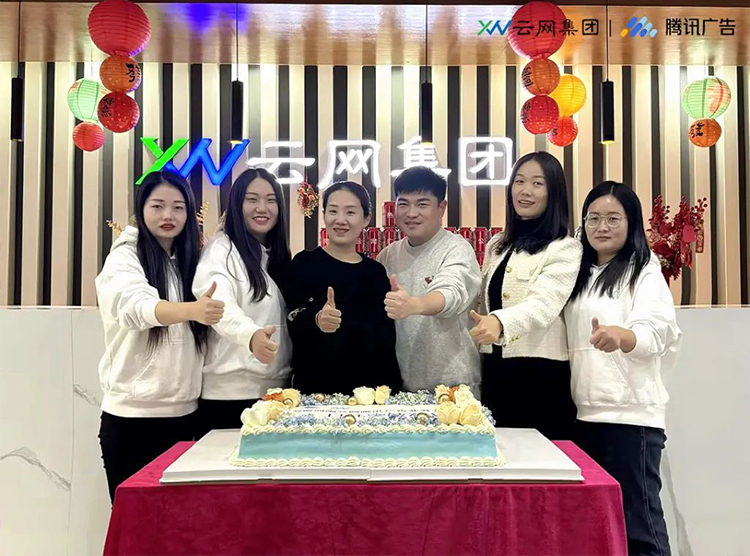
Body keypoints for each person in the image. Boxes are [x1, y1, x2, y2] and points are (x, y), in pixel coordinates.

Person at [565, 181, 681, 556]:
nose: (602, 227)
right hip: (583, 415)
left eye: (613, 218)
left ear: (631, 223)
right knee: (596, 527)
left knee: (640, 527)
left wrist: (623, 336)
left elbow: (657, 330)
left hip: (631, 419)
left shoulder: (643, 270)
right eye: (593, 218)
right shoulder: (577, 273)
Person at [95, 170, 224, 503]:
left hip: (186, 417)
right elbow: (136, 307)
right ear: (141, 209)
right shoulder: (124, 257)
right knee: (136, 525)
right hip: (132, 420)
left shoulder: (190, 262)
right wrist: (192, 311)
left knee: (181, 524)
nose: (168, 215)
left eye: (178, 207)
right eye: (158, 206)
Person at [470, 151, 582, 440]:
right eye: (519, 181)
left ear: (553, 192)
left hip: (540, 373)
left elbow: (544, 304)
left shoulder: (565, 248)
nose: (525, 191)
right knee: (500, 456)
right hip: (496, 371)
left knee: (543, 460)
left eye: (537, 183)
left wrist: (499, 322)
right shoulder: (497, 244)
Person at [192, 168, 292, 436]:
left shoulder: (275, 256)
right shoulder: (221, 250)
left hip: (274, 394)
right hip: (229, 399)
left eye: (271, 200)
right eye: (252, 199)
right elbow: (218, 306)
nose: (262, 208)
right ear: (237, 204)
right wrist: (251, 336)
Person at [284, 181, 401, 394]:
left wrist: (390, 391)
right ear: (324, 214)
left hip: (368, 397)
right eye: (333, 211)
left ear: (366, 218)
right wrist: (317, 319)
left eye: (350, 212)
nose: (340, 220)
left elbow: (385, 341)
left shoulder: (375, 273)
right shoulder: (304, 264)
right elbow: (291, 318)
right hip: (315, 394)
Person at [377, 166, 481, 395]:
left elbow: (452, 291)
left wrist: (415, 304)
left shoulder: (456, 249)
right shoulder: (387, 256)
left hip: (455, 388)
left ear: (441, 208)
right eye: (403, 204)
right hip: (403, 388)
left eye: (422, 204)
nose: (411, 213)